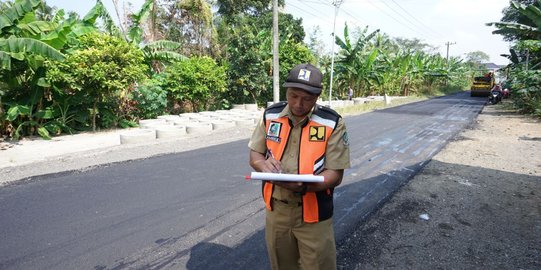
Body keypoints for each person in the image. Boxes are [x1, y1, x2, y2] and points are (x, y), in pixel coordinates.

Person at [248, 63, 351, 270]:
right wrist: (261, 163)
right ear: (287, 91)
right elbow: (255, 154)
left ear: (317, 96)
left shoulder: (331, 123)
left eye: (307, 98)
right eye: (293, 95)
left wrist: (304, 186)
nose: (298, 104)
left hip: (314, 216)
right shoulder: (271, 116)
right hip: (277, 212)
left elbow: (335, 174)